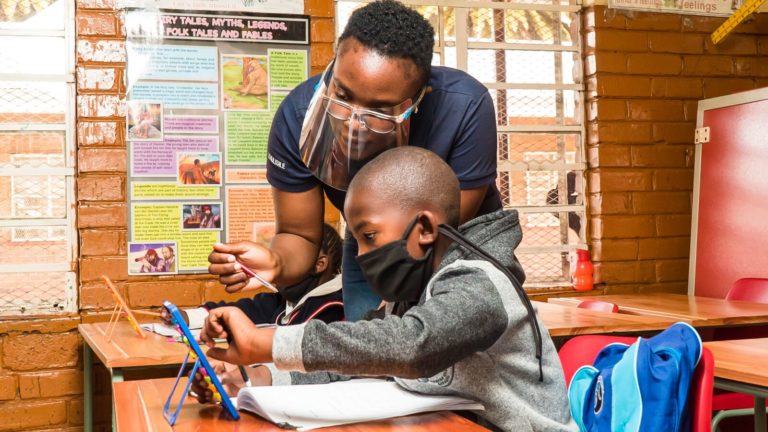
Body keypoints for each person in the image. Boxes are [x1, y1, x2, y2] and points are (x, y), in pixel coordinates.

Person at [194, 147, 576, 431]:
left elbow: (414, 347)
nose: (360, 256)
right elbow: (355, 366)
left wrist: (269, 342)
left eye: (370, 236)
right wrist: (256, 377)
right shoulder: (409, 292)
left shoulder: (482, 285)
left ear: (425, 229)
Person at [208, 0, 501, 322]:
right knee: (368, 354)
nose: (351, 122)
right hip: (369, 242)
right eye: (343, 96)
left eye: (378, 110)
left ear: (419, 98)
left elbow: (441, 236)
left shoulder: (464, 107)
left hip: (456, 242)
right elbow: (300, 236)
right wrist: (277, 262)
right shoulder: (297, 118)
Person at [162, 223, 344, 328]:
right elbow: (238, 311)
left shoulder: (334, 308)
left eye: (288, 258)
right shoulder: (284, 299)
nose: (277, 262)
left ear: (319, 265)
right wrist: (185, 316)